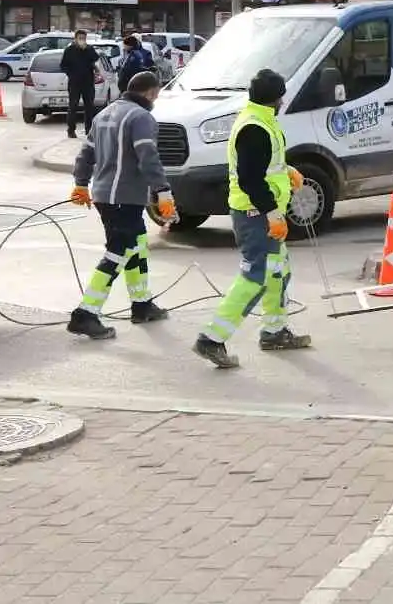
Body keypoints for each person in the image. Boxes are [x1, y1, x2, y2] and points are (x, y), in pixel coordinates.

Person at [194, 68, 311, 368]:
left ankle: (274, 332)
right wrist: (272, 213)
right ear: (277, 98)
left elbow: (263, 166)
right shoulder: (255, 127)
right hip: (255, 213)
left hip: (262, 211)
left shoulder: (259, 120)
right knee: (256, 276)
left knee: (278, 272)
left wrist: (288, 171)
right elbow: (250, 178)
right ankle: (212, 339)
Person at [65, 70, 175, 340]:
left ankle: (141, 304)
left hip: (105, 195)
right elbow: (147, 156)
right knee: (118, 252)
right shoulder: (141, 117)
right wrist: (163, 191)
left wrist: (81, 183)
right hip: (123, 197)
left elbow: (86, 153)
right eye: (156, 95)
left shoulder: (104, 114)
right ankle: (86, 314)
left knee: (136, 247)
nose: (155, 99)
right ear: (150, 93)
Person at [60, 29, 102, 138]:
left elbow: (96, 58)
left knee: (89, 107)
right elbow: (63, 65)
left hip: (88, 82)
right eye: (80, 38)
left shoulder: (89, 49)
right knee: (73, 106)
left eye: (83, 38)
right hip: (74, 82)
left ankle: (89, 129)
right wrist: (71, 74)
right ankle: (71, 130)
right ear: (75, 39)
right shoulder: (69, 50)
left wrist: (87, 49)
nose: (82, 40)